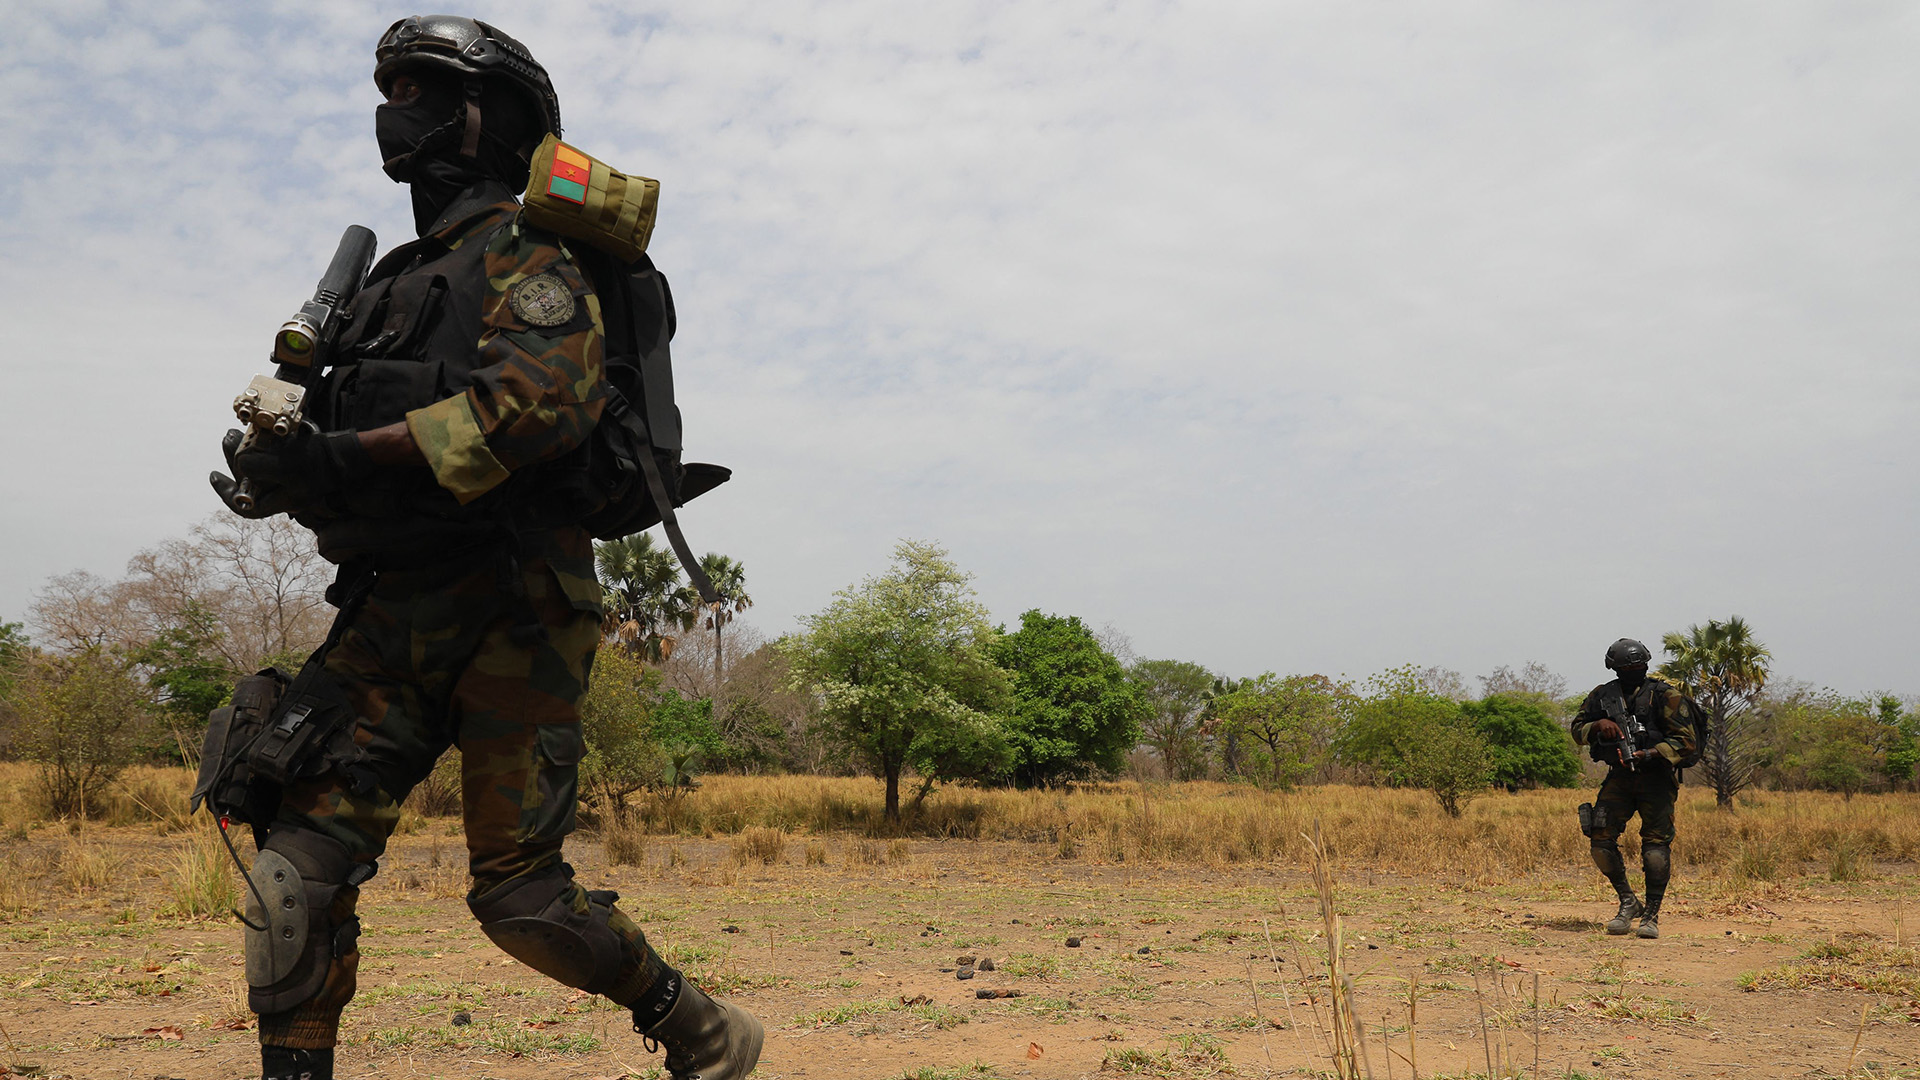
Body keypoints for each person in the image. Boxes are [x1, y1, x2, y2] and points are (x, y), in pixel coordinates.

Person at [207, 16, 761, 1080]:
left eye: (419, 89)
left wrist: (340, 459)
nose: (393, 110)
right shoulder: (381, 291)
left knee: (521, 899)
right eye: (390, 89)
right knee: (294, 880)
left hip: (516, 603)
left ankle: (694, 1025)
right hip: (388, 609)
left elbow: (538, 409)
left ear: (482, 116)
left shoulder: (533, 251)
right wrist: (283, 470)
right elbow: (341, 448)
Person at [1570, 638, 1699, 940]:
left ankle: (1651, 914)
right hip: (1619, 778)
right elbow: (1577, 730)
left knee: (1655, 847)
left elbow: (1687, 741)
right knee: (1600, 838)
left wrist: (1650, 753)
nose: (1634, 671)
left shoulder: (1666, 695)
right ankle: (1628, 901)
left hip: (1656, 779)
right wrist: (1598, 725)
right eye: (1627, 667)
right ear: (1614, 668)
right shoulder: (1602, 696)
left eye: (1639, 666)